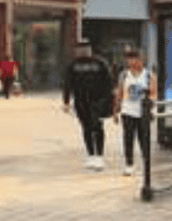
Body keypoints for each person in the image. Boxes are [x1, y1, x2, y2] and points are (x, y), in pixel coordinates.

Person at [62, 39, 117, 170]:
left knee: (97, 126)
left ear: (90, 50)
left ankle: (99, 156)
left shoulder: (100, 63)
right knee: (86, 127)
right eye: (80, 49)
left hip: (99, 101)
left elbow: (109, 83)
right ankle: (91, 155)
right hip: (81, 101)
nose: (82, 52)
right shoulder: (73, 65)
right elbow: (67, 84)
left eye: (85, 48)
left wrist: (111, 102)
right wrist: (66, 102)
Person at [116, 46, 154, 176]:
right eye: (129, 59)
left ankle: (146, 163)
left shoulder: (148, 75)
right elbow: (119, 92)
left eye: (135, 59)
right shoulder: (124, 74)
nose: (131, 62)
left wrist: (150, 102)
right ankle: (129, 164)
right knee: (128, 138)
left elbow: (154, 93)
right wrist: (116, 110)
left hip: (142, 111)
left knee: (144, 139)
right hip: (128, 111)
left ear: (141, 60)